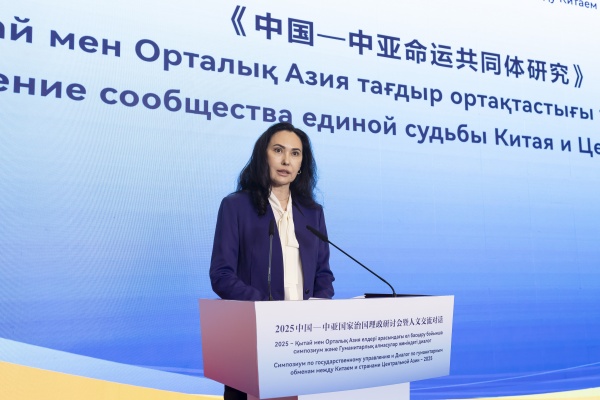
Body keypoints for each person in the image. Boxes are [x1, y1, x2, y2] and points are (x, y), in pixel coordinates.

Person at [209, 122, 335, 400]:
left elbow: (323, 273)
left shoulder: (313, 212)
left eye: (295, 153)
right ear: (263, 155)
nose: (286, 160)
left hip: (304, 339)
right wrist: (267, 309)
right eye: (278, 150)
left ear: (301, 164)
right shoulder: (236, 206)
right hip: (254, 335)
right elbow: (221, 274)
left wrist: (318, 309)